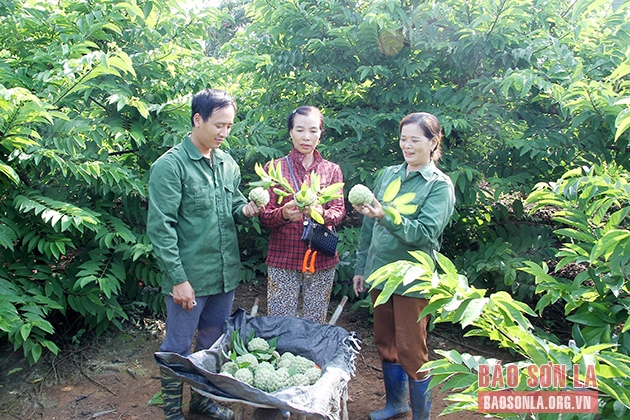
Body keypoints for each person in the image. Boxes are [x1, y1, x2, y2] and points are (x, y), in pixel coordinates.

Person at [147, 89, 263, 420]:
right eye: (219, 125)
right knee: (177, 348)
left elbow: (234, 204)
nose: (224, 133)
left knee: (211, 343)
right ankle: (172, 412)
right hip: (191, 278)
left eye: (229, 126)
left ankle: (202, 402)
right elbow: (161, 228)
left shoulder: (227, 163)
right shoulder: (170, 167)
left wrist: (248, 209)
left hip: (224, 273)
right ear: (197, 120)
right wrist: (178, 280)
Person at [352, 112, 455, 420]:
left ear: (433, 142)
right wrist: (361, 266)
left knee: (412, 348)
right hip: (380, 274)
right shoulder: (387, 175)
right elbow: (369, 227)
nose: (407, 146)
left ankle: (421, 415)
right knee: (386, 342)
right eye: (403, 139)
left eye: (415, 140)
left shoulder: (439, 186)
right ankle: (396, 404)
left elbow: (425, 233)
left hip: (413, 278)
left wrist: (388, 216)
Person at [259, 106, 346, 324]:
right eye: (300, 130)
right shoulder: (274, 168)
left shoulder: (331, 170)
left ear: (320, 134)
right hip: (283, 256)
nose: (306, 137)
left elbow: (338, 212)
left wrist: (320, 213)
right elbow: (265, 216)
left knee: (315, 321)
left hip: (320, 257)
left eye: (313, 131)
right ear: (290, 132)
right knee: (279, 321)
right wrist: (284, 213)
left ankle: (310, 359)